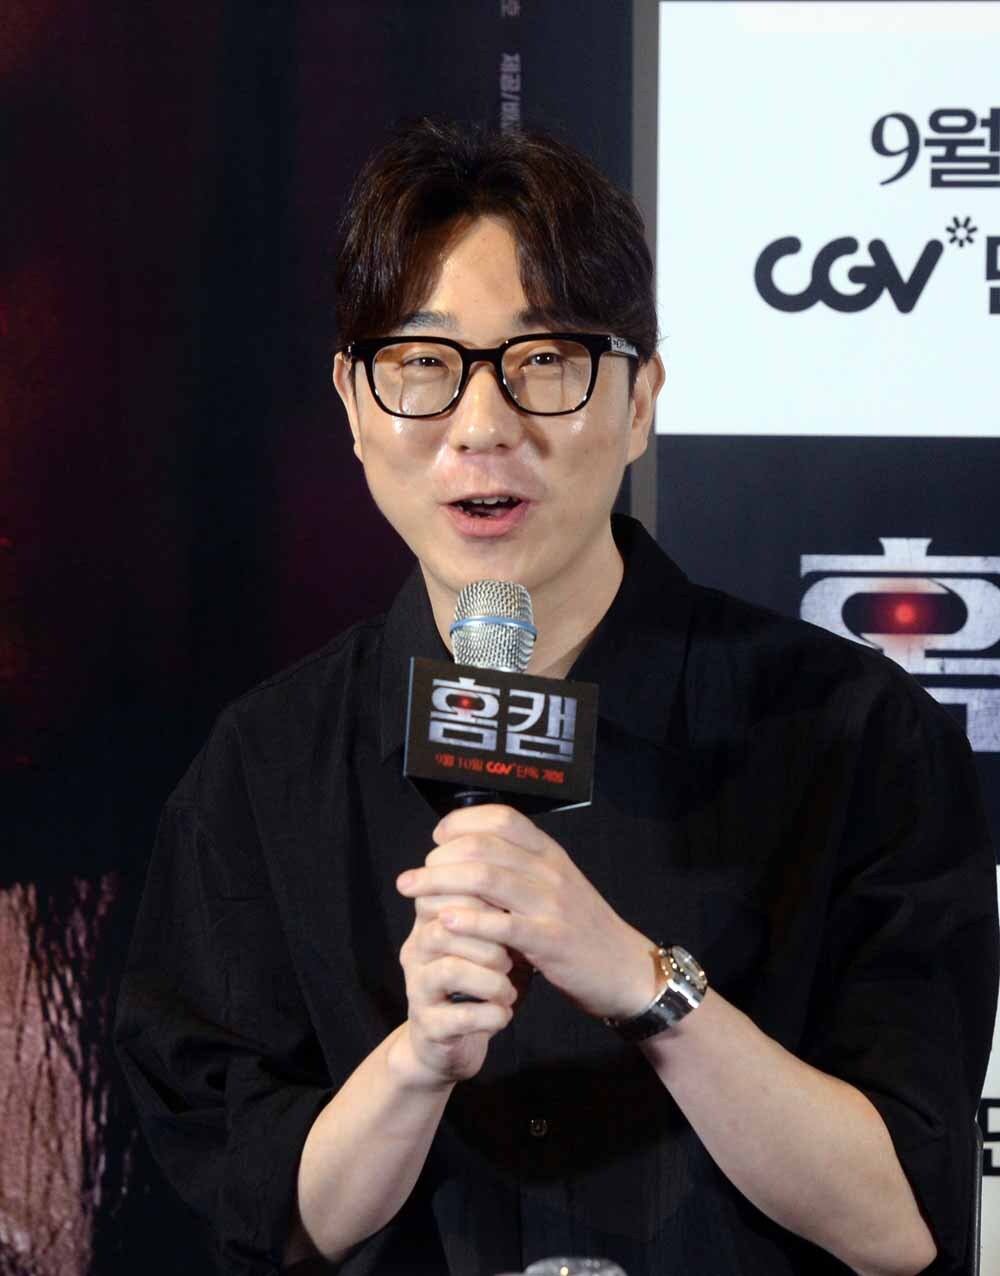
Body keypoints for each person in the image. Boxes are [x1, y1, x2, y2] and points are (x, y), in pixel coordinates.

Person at [115, 119, 998, 1276]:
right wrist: (417, 1060)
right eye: (422, 365)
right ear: (353, 403)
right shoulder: (265, 769)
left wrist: (642, 984)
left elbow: (900, 1224)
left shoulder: (858, 738)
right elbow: (271, 1221)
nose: (483, 427)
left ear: (639, 400)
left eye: (544, 361)